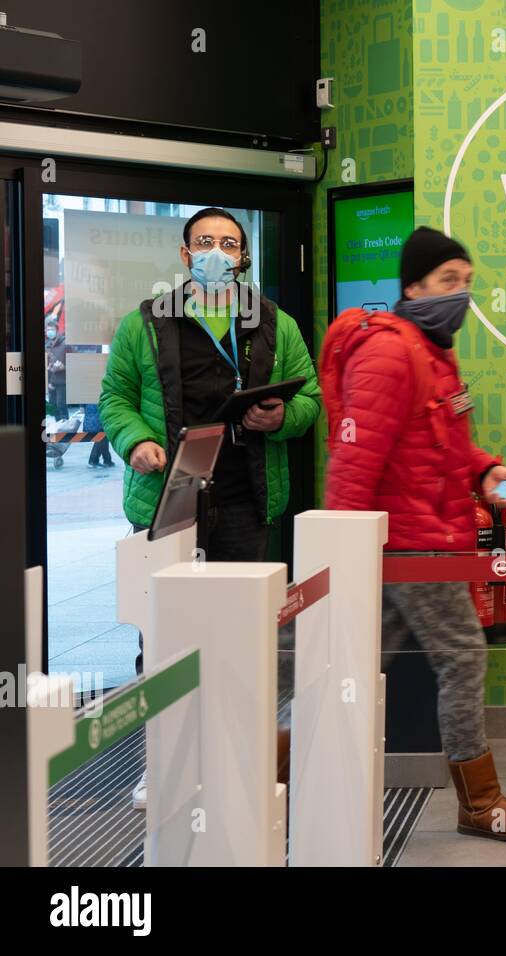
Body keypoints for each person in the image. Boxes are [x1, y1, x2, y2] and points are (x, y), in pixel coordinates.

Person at [322, 226, 506, 841]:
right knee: (462, 655)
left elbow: (445, 446)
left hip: (418, 541)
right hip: (409, 546)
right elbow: (353, 463)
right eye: (449, 281)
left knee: (326, 665)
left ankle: (264, 761)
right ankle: (481, 803)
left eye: (468, 282)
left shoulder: (430, 350)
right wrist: (341, 563)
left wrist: (485, 471)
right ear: (414, 285)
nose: (462, 294)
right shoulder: (390, 352)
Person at [99, 207, 321, 808]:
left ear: (244, 256)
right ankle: (164, 759)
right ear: (184, 255)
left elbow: (310, 399)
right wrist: (134, 441)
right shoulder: (145, 324)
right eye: (205, 242)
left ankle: (234, 755)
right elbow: (115, 396)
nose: (217, 252)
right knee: (163, 635)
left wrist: (282, 416)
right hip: (166, 501)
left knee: (241, 634)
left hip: (247, 497)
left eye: (228, 243)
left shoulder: (274, 322)